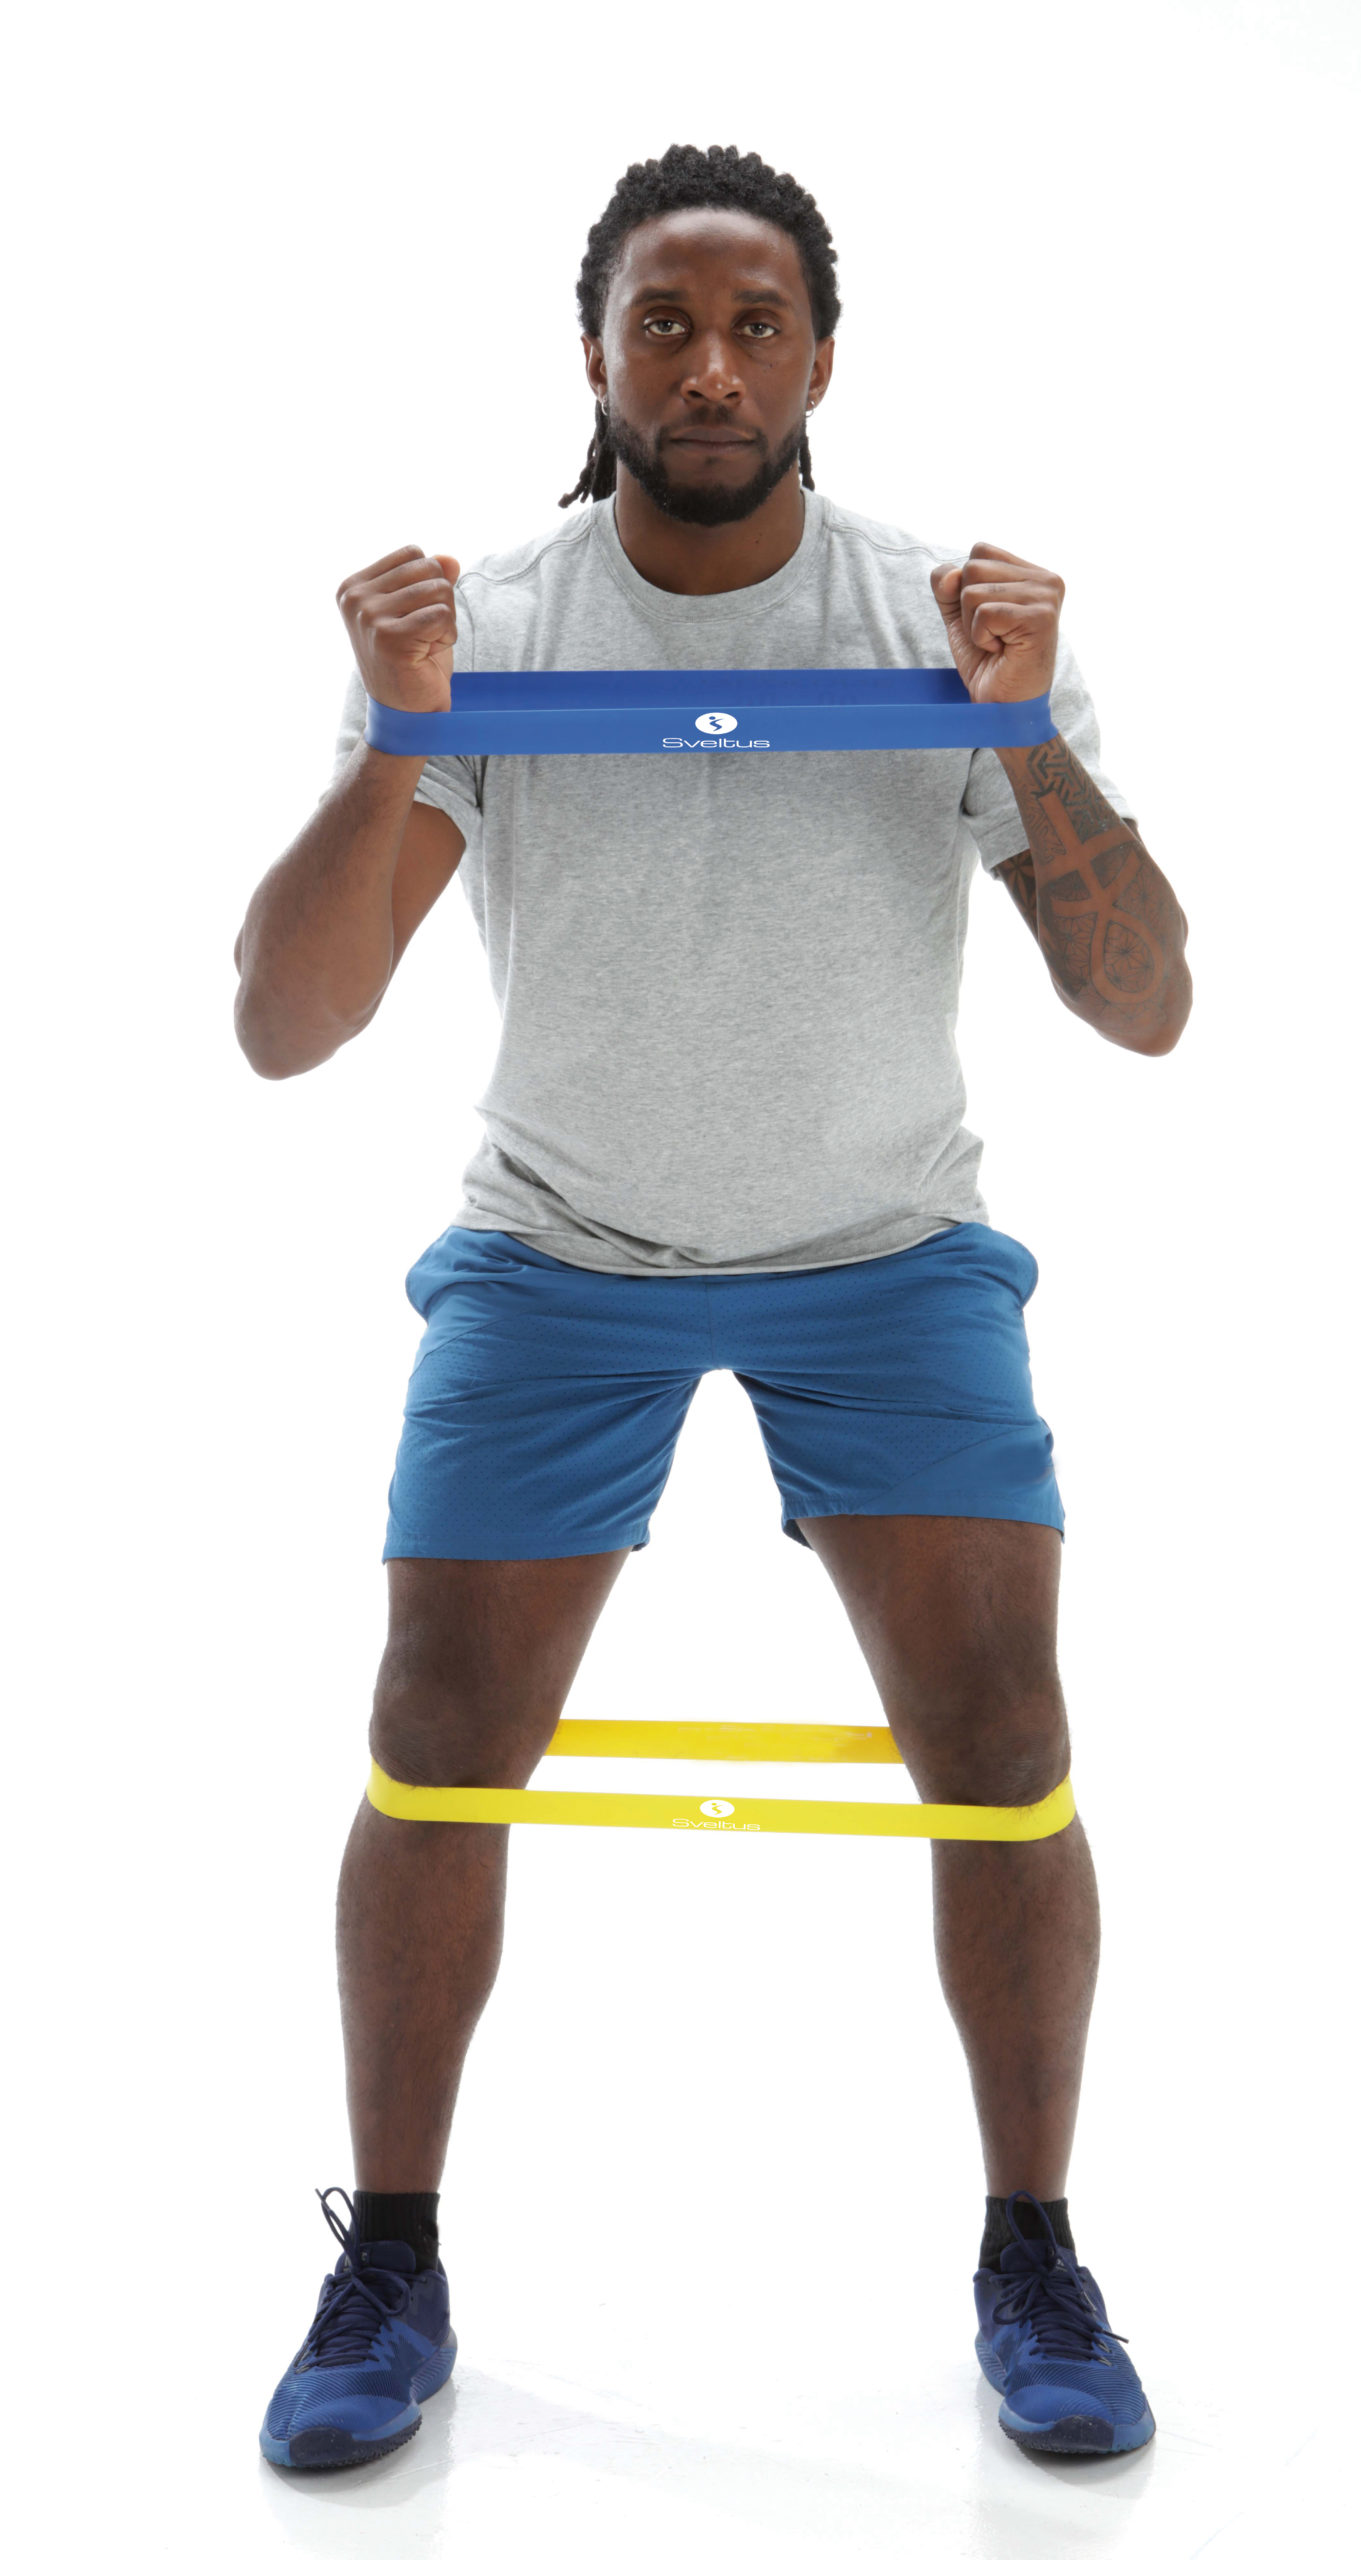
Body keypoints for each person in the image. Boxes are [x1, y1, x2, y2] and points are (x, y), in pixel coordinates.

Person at [236, 142, 1191, 2475]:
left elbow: (1149, 1003)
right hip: (565, 1244)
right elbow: (286, 1023)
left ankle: (1036, 2247)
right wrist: (398, 723)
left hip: (886, 1250)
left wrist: (1028, 726)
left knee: (1006, 1729)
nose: (711, 368)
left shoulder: (939, 622)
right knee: (434, 1725)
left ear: (822, 360)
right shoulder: (495, 627)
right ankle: (391, 2258)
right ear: (595, 355)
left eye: (758, 324)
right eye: (664, 322)